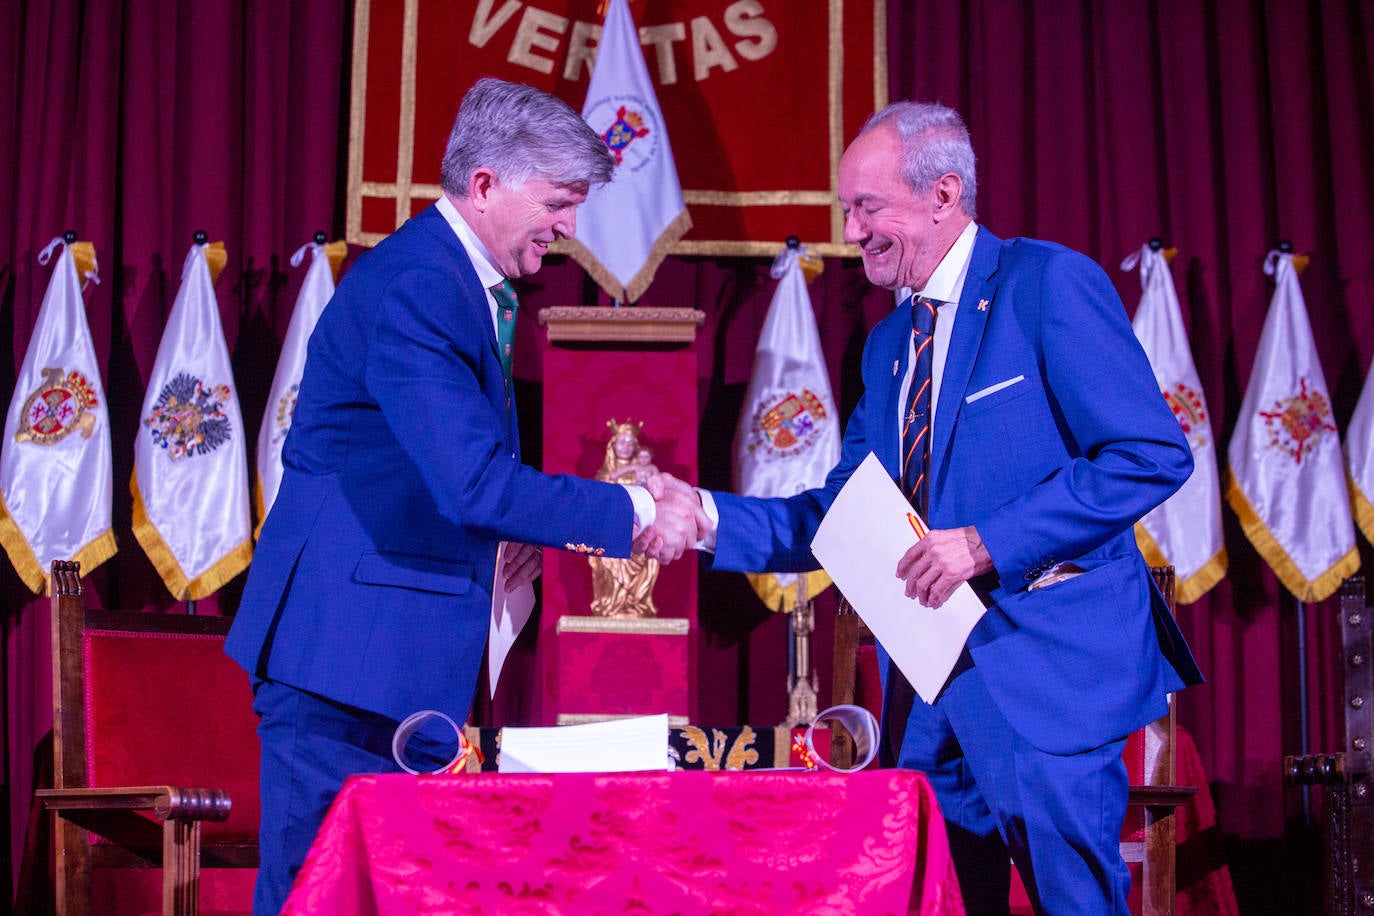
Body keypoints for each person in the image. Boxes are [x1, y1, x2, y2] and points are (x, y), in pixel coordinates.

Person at [653, 101, 1203, 914]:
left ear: (945, 195)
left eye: (868, 208)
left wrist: (985, 542)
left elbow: (1149, 457)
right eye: (846, 210)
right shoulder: (889, 343)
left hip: (1048, 668)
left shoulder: (1045, 286)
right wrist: (707, 519)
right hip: (934, 690)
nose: (853, 231)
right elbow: (842, 518)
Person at [224, 78, 704, 915]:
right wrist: (632, 511)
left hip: (389, 660)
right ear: (484, 185)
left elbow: (441, 476)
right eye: (558, 202)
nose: (568, 227)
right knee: (316, 898)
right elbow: (473, 482)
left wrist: (497, 542)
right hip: (342, 665)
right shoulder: (421, 284)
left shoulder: (458, 280)